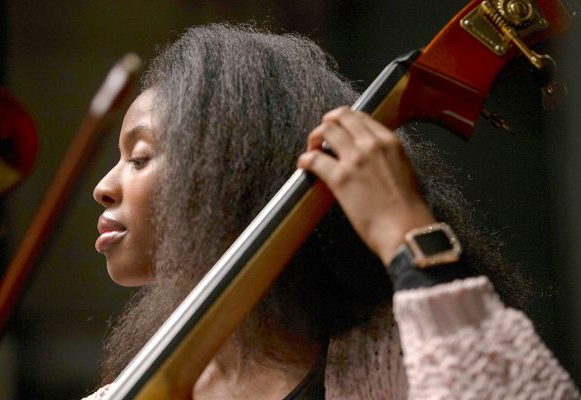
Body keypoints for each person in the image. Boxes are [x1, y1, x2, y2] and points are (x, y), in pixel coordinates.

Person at [85, 24, 579, 399]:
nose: (103, 189)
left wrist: (404, 230)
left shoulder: (396, 358)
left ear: (233, 170)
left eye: (140, 158)